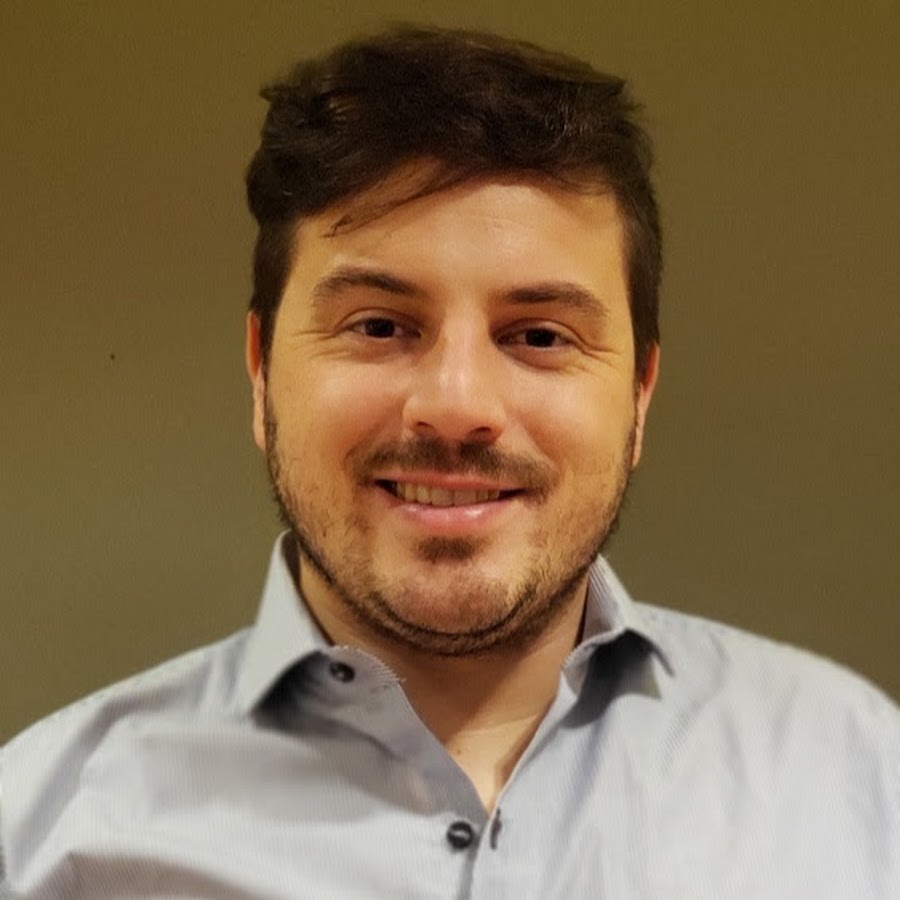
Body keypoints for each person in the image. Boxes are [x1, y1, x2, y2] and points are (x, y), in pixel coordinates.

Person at [1, 25, 896, 900]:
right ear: (261, 370)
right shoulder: (38, 840)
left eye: (539, 336)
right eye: (380, 326)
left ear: (640, 395)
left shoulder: (861, 782)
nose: (458, 404)